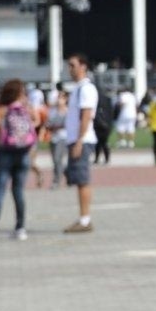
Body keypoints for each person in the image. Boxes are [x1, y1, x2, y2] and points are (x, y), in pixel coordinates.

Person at [0, 79, 36, 243]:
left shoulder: (2, 109)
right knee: (18, 192)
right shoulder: (25, 108)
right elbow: (34, 122)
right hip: (23, 152)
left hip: (5, 153)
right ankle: (20, 228)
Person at [62, 53, 98, 233]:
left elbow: (86, 116)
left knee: (83, 179)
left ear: (83, 66)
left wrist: (79, 140)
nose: (70, 69)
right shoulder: (77, 88)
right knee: (78, 179)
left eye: (73, 65)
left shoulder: (86, 89)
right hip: (76, 139)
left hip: (82, 140)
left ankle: (85, 219)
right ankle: (83, 217)